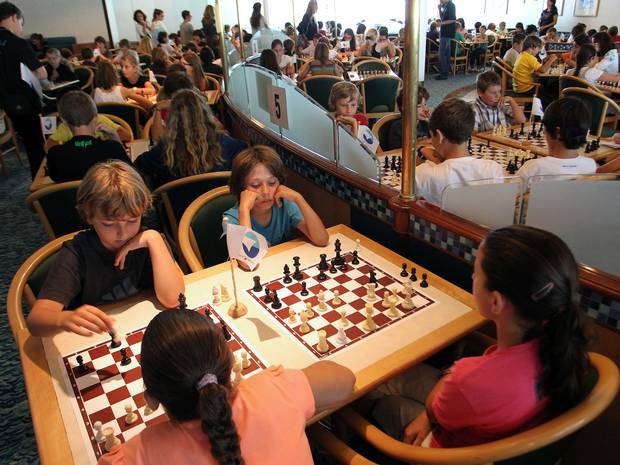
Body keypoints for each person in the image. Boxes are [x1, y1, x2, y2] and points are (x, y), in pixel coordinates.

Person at [370, 224, 592, 448]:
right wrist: (455, 375)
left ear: (495, 302)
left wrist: (454, 373)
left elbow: (434, 409)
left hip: (447, 451)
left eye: (476, 272)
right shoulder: (558, 343)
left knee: (386, 404)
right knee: (394, 377)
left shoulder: (469, 379)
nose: (472, 275)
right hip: (488, 423)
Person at [98, 308, 355, 465]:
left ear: (151, 399)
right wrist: (264, 388)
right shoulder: (273, 391)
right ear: (230, 366)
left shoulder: (135, 456)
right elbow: (345, 379)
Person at [27, 160, 185, 337]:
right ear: (88, 216)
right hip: (94, 336)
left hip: (142, 327)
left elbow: (174, 299)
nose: (122, 233)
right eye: (108, 224)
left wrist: (154, 238)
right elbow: (35, 322)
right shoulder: (76, 254)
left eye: (132, 221)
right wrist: (63, 318)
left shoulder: (147, 240)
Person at [135, 89, 246, 189]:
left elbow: (139, 165)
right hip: (220, 203)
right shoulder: (228, 145)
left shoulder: (165, 149)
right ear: (206, 114)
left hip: (177, 205)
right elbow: (245, 151)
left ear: (172, 118)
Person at [224, 146, 329, 247]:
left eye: (272, 183)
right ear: (241, 187)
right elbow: (248, 258)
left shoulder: (285, 205)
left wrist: (299, 198)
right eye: (256, 185)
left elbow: (322, 239)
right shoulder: (231, 219)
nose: (266, 192)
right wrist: (244, 210)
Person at [414, 98, 503, 206]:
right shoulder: (493, 169)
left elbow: (404, 193)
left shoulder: (424, 174)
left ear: (440, 136)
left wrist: (421, 153)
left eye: (432, 136)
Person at [0, 2, 47, 179]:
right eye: (21, 23)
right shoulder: (18, 43)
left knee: (28, 143)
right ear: (14, 17)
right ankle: (40, 183)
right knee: (37, 146)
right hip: (26, 102)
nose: (21, 28)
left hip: (7, 103)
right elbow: (41, 74)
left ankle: (37, 180)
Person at [46, 91, 130, 182]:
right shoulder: (112, 148)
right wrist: (115, 138)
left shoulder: (55, 155)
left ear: (64, 121)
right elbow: (130, 173)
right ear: (96, 116)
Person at [517, 98, 597, 178]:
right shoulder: (591, 165)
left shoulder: (534, 168)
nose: (544, 132)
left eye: (544, 127)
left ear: (558, 132)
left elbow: (512, 185)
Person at [512, 36, 558, 108]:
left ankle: (535, 109)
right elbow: (543, 70)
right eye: (537, 50)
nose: (537, 53)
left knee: (544, 86)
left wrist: (545, 61)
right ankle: (548, 109)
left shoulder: (522, 54)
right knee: (548, 97)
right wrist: (551, 60)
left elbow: (538, 68)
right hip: (526, 88)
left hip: (519, 86)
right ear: (532, 47)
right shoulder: (529, 57)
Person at [386, 86, 432, 151]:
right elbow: (396, 152)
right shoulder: (397, 128)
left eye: (425, 104)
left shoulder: (426, 123)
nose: (425, 109)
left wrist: (431, 122)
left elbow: (437, 142)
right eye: (419, 106)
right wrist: (422, 143)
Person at [436, 0, 457, 81]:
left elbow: (453, 19)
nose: (440, 0)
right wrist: (439, 9)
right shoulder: (446, 6)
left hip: (447, 33)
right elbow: (443, 19)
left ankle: (444, 74)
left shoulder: (451, 5)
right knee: (445, 54)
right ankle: (444, 73)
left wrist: (441, 24)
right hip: (444, 33)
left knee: (443, 54)